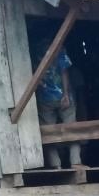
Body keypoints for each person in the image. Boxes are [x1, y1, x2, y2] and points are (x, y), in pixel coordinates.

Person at [34, 39, 82, 169]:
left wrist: (42, 86)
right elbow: (64, 71)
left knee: (48, 131)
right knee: (71, 126)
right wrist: (66, 93)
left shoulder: (35, 51)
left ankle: (55, 165)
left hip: (45, 98)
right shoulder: (59, 49)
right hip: (63, 96)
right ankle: (75, 161)